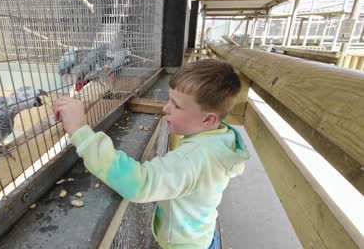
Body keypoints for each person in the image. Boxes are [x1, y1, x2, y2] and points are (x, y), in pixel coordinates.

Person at [53, 59, 249, 249]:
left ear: (208, 119)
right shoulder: (221, 138)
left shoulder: (194, 158)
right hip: (202, 236)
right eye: (169, 100)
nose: (165, 108)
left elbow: (139, 184)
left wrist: (80, 131)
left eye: (176, 105)